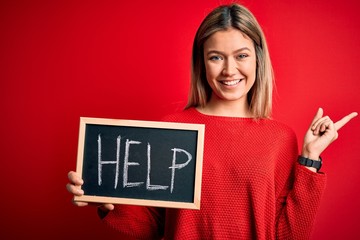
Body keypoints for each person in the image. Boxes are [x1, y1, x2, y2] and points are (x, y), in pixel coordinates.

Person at [66, 3, 357, 239]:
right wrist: (108, 201)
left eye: (241, 55)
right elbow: (154, 227)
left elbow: (289, 235)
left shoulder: (280, 138)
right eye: (216, 57)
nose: (230, 70)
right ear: (202, 63)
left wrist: (310, 158)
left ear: (257, 58)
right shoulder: (173, 130)